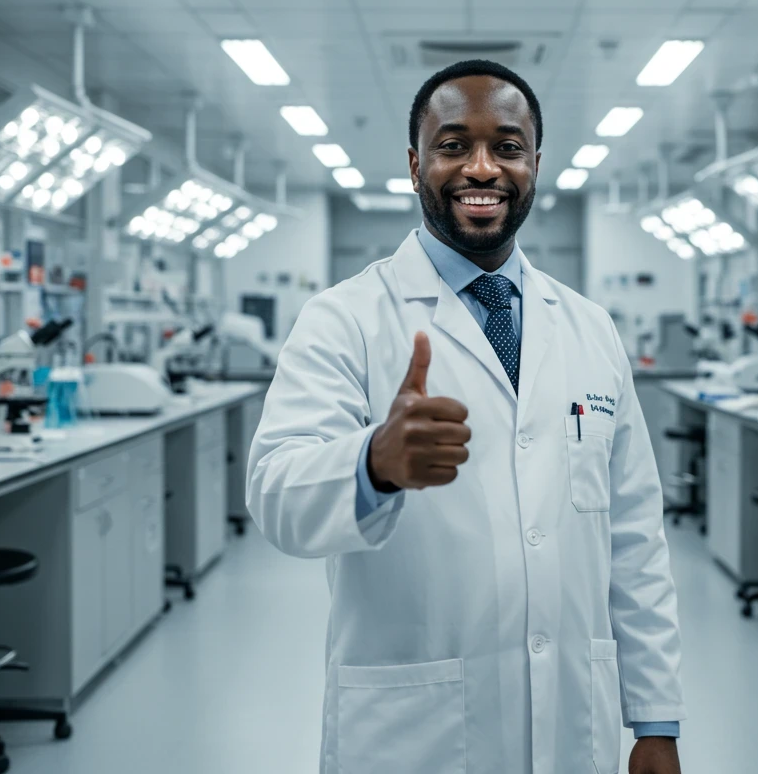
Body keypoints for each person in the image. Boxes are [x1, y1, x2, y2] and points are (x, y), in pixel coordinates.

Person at [247, 59, 685, 774]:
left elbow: (634, 536)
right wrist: (372, 465)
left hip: (576, 721)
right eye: (454, 146)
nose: (482, 167)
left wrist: (656, 717)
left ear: (535, 164)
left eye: (507, 147)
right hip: (415, 735)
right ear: (416, 164)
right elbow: (274, 494)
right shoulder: (343, 319)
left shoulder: (588, 327)